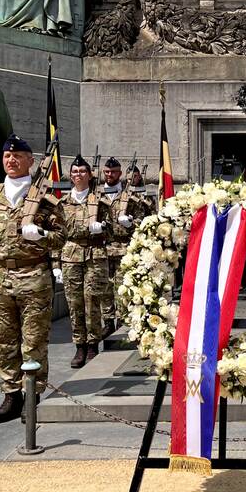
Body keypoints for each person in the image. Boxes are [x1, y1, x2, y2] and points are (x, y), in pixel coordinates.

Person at [0, 134, 66, 423]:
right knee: (3, 341)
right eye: (6, 156)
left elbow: (61, 238)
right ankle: (11, 396)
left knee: (34, 341)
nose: (11, 160)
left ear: (30, 161)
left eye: (17, 156)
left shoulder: (46, 199)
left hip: (33, 276)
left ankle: (32, 396)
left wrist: (42, 236)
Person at [55, 155, 106, 368]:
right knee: (74, 303)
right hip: (70, 255)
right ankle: (80, 346)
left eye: (82, 171)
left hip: (94, 254)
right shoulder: (61, 203)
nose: (78, 175)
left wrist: (103, 227)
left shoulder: (100, 201)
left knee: (92, 300)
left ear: (90, 174)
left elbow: (114, 228)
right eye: (75, 172)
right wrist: (55, 265)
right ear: (70, 175)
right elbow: (56, 234)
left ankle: (93, 344)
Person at [97, 157, 147, 339]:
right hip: (102, 248)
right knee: (104, 287)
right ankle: (108, 321)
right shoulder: (97, 196)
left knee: (122, 287)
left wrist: (131, 223)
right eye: (107, 172)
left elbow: (143, 221)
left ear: (120, 174)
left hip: (124, 248)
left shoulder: (129, 197)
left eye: (113, 172)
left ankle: (121, 321)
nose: (109, 175)